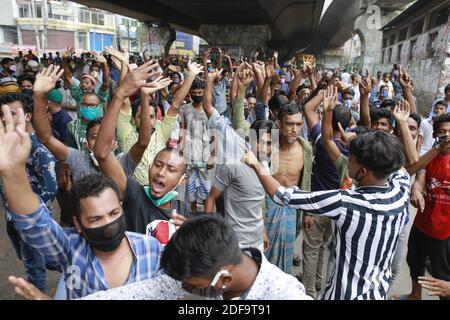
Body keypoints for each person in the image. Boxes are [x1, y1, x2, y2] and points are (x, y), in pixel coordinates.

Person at [243, 128, 411, 300]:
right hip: (378, 292)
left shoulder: (346, 203)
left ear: (364, 171)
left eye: (351, 156)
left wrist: (256, 164)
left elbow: (280, 194)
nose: (348, 157)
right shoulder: (400, 190)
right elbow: (400, 168)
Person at [203, 67, 267, 251]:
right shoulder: (228, 132)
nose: (264, 145)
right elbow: (209, 106)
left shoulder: (263, 162)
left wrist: (261, 230)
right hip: (225, 192)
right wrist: (209, 80)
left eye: (268, 142)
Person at [0, 94, 57, 293]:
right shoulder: (7, 148)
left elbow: (50, 192)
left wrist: (24, 208)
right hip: (13, 220)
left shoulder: (39, 153)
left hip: (32, 223)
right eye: (2, 115)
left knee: (34, 268)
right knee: (30, 258)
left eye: (13, 114)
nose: (6, 119)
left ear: (27, 116)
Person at [116, 60, 203, 186]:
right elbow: (123, 98)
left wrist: (191, 75)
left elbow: (176, 104)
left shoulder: (161, 131)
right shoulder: (126, 132)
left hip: (160, 190)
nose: (147, 121)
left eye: (151, 116)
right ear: (133, 119)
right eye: (142, 116)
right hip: (132, 192)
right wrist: (124, 64)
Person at [301, 85, 351, 298]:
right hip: (336, 209)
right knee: (322, 246)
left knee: (311, 250)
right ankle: (319, 282)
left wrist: (324, 93)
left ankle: (309, 291)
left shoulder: (322, 142)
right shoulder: (352, 149)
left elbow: (307, 109)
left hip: (317, 206)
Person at [402, 113, 450, 301]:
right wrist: (416, 191)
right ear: (436, 135)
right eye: (442, 132)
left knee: (442, 276)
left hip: (445, 231)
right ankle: (415, 295)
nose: (447, 136)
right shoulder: (429, 157)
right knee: (414, 262)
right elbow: (419, 179)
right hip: (422, 222)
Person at [178, 78, 214, 212]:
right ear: (190, 93)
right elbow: (182, 130)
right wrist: (180, 150)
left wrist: (213, 155)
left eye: (200, 92)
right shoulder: (184, 109)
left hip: (205, 154)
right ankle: (193, 213)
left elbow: (213, 134)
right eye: (194, 92)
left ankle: (207, 214)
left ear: (204, 92)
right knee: (190, 187)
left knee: (206, 186)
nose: (197, 95)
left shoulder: (209, 110)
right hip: (189, 153)